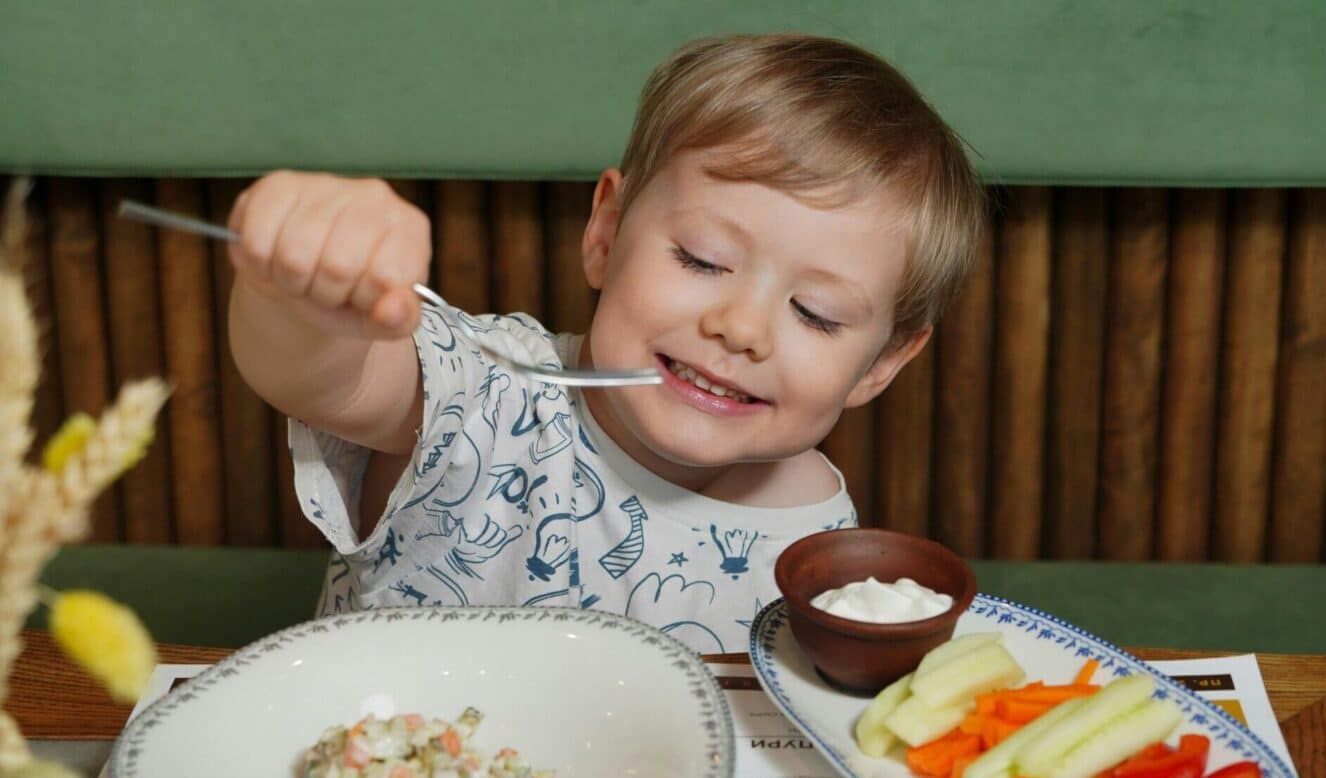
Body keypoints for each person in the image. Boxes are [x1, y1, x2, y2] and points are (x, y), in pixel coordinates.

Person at [226, 33, 984, 653]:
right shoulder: (488, 391)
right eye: (701, 260)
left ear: (881, 364)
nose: (740, 329)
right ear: (607, 231)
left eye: (814, 313)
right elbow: (322, 378)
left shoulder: (821, 545)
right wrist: (304, 291)